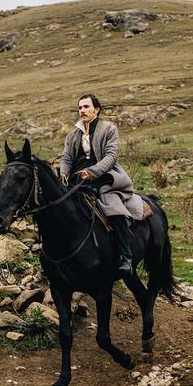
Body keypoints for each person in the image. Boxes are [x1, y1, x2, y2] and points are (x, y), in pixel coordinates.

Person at [59, 93, 141, 275]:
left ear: (96, 109)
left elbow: (111, 157)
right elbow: (66, 158)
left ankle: (125, 256)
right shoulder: (73, 135)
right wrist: (64, 172)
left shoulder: (108, 129)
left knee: (113, 207)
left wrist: (92, 172)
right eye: (80, 108)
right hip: (77, 179)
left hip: (103, 177)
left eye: (86, 107)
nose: (82, 111)